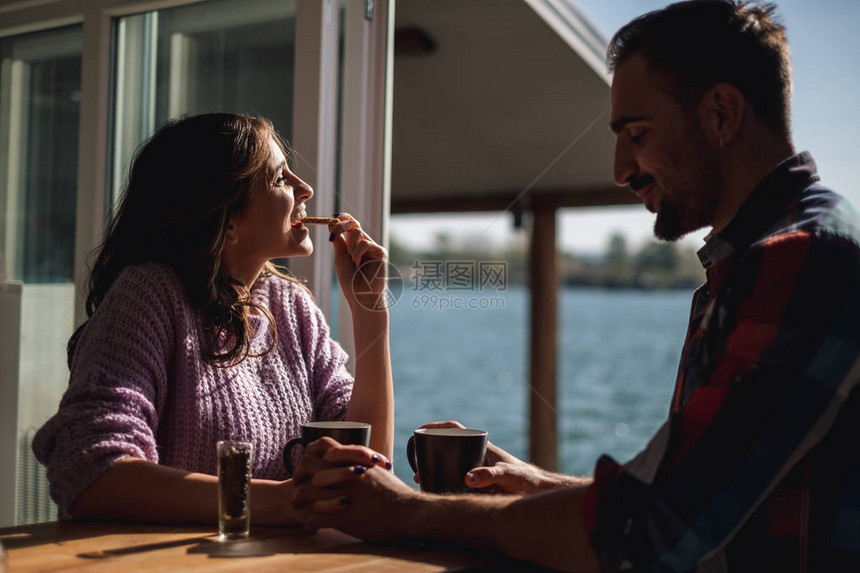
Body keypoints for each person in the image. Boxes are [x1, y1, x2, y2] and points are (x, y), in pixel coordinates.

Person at [290, 1, 860, 571]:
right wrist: (538, 485)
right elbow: (689, 493)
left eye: (635, 134)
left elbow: (646, 533)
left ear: (721, 113)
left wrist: (409, 512)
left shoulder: (804, 263)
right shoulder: (758, 261)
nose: (620, 168)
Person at [32, 113, 394, 525]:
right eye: (280, 179)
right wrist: (279, 501)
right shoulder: (150, 295)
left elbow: (369, 469)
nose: (306, 188)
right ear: (228, 220)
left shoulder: (291, 307)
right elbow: (91, 471)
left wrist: (370, 311)